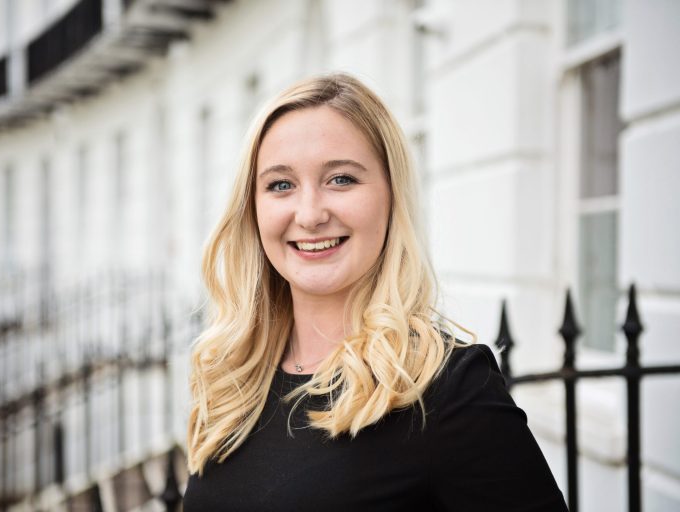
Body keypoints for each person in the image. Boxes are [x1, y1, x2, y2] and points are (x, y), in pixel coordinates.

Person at [183, 73, 568, 511]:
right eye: (281, 185)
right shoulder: (235, 377)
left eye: (341, 179)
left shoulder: (447, 390)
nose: (309, 214)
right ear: (252, 208)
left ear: (391, 196)